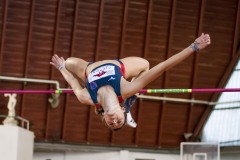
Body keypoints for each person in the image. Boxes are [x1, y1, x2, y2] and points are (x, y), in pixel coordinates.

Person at [50, 33, 211, 131]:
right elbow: (163, 67)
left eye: (112, 123)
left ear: (104, 118)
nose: (114, 120)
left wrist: (61, 67)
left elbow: (72, 81)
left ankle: (129, 103)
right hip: (119, 66)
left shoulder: (86, 98)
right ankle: (130, 103)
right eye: (119, 121)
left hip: (87, 69)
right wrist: (193, 47)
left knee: (69, 62)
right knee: (146, 65)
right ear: (122, 111)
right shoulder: (127, 89)